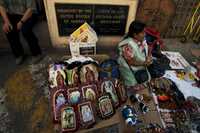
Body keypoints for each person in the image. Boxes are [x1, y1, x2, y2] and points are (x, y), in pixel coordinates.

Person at [0, 0, 42, 65]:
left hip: (28, 14)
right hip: (13, 14)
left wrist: (21, 22)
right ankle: (19, 54)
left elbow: (30, 9)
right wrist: (6, 21)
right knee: (8, 30)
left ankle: (37, 53)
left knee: (26, 30)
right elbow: (1, 6)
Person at [117, 20, 152, 87]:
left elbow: (147, 48)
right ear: (135, 35)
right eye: (142, 33)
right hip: (129, 68)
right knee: (133, 86)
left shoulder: (142, 39)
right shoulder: (128, 45)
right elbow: (130, 62)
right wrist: (144, 63)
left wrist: (149, 56)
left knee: (147, 80)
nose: (145, 34)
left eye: (145, 32)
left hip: (141, 65)